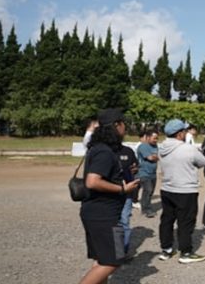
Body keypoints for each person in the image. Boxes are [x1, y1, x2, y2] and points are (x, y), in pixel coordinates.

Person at [79, 108, 139, 284]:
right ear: (116, 125)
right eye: (123, 123)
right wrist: (122, 189)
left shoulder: (99, 149)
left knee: (101, 260)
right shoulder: (104, 152)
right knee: (115, 259)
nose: (125, 127)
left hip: (101, 212)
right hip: (103, 215)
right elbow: (92, 181)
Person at [158, 119, 205, 264]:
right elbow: (203, 162)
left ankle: (166, 249)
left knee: (167, 219)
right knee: (185, 221)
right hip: (185, 189)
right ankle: (185, 252)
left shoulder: (162, 148)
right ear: (179, 134)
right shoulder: (188, 149)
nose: (186, 133)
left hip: (167, 188)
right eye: (185, 131)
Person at [118, 143, 139, 254]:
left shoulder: (127, 151)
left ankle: (121, 252)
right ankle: (111, 253)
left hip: (127, 193)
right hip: (108, 193)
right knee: (113, 222)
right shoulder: (103, 151)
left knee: (124, 221)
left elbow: (135, 165)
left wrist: (134, 169)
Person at [137, 129, 159, 218]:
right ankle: (146, 209)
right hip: (144, 173)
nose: (155, 140)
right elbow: (150, 158)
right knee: (148, 190)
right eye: (154, 138)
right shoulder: (143, 146)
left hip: (153, 173)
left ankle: (146, 206)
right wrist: (155, 157)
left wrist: (155, 157)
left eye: (157, 138)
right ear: (148, 137)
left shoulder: (155, 146)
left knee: (151, 191)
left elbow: (157, 157)